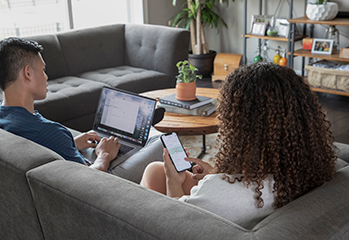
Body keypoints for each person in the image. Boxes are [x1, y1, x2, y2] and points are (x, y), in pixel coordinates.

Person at [140, 62, 337, 229]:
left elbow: (175, 220)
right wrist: (214, 172)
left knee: (158, 173)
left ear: (239, 127)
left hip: (198, 227)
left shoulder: (220, 191)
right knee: (155, 170)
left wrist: (172, 180)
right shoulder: (309, 168)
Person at [0, 37, 120, 172]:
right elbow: (92, 181)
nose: (46, 77)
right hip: (97, 178)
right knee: (141, 154)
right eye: (43, 69)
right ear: (28, 73)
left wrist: (71, 144)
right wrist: (104, 154)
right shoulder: (50, 132)